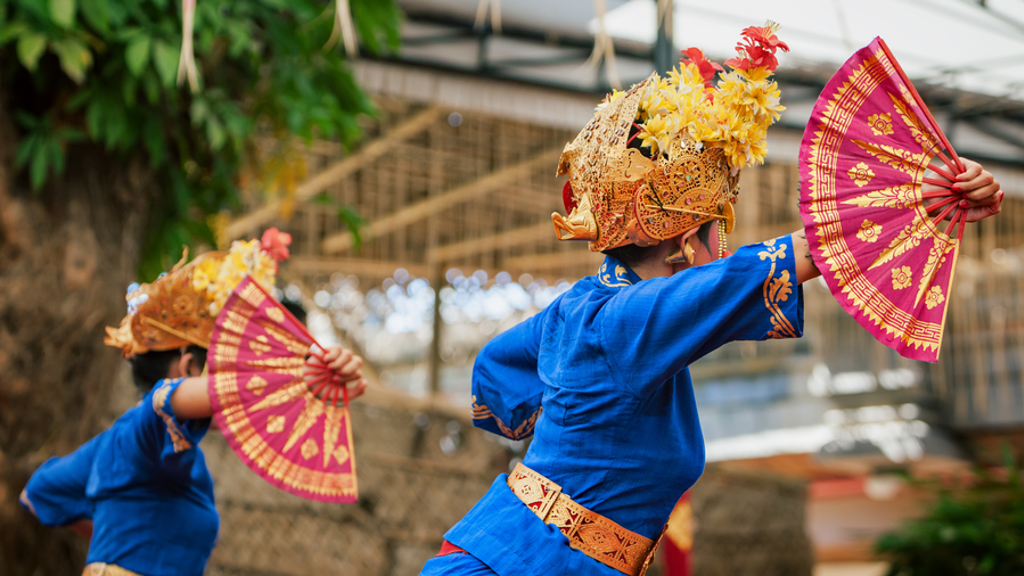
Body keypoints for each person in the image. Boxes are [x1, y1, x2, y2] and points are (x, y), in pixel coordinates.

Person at [420, 24, 1003, 576]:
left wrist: (570, 419)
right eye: (717, 232)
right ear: (684, 244)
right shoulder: (624, 324)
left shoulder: (580, 311)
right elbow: (747, 276)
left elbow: (492, 370)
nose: (722, 251)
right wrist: (911, 198)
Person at [18, 230, 368, 576]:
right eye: (232, 370)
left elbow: (39, 491)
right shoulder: (145, 427)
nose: (243, 385)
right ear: (188, 368)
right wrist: (298, 376)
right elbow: (167, 399)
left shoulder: (122, 445)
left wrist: (116, 543)